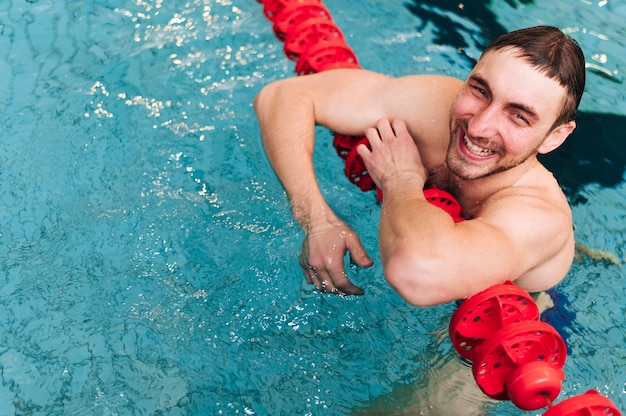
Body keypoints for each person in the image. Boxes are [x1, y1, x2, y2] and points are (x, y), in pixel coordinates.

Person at [254, 25, 586, 305]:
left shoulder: (536, 215)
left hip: (511, 319)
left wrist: (400, 180)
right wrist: (316, 220)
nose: (478, 126)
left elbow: (417, 274)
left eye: (519, 116)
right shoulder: (434, 104)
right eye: (480, 90)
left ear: (554, 138)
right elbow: (280, 97)